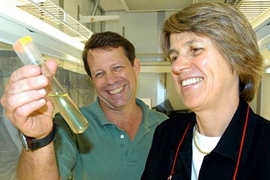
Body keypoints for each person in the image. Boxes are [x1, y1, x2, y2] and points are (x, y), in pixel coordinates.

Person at [0, 31, 168, 180]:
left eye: (117, 67)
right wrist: (39, 138)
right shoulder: (70, 125)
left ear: (136, 67)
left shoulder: (165, 125)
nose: (110, 80)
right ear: (92, 81)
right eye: (99, 73)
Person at [141, 2, 270, 180]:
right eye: (174, 56)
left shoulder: (265, 146)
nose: (177, 66)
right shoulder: (167, 135)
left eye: (195, 50)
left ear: (237, 58)